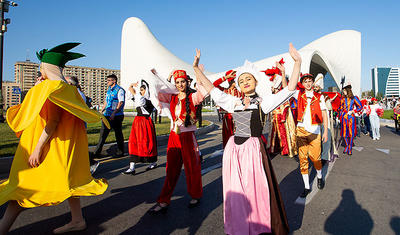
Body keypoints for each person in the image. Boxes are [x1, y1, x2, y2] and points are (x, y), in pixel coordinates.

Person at [191, 44, 301, 235]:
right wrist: (195, 69)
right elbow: (211, 90)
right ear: (239, 85)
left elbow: (290, 89)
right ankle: (240, 226)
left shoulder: (264, 102)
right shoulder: (234, 102)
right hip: (234, 150)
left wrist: (297, 62)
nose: (245, 82)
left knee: (255, 190)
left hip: (252, 149)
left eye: (248, 79)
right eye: (242, 80)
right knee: (236, 192)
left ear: (256, 82)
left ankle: (259, 226)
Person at [0, 43, 109, 234]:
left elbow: (52, 122)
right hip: (63, 149)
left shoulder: (52, 88)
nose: (40, 71)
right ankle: (77, 220)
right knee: (68, 183)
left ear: (45, 68)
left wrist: (37, 149)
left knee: (22, 188)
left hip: (47, 147)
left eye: (41, 67)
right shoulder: (69, 89)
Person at [149, 68, 207, 214]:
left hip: (188, 137)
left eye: (182, 82)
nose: (180, 84)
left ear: (187, 82)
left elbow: (204, 92)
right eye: (177, 82)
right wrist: (160, 77)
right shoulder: (172, 97)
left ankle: (195, 195)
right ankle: (163, 200)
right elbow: (158, 92)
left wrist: (199, 75)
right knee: (171, 171)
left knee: (192, 169)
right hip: (174, 137)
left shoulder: (193, 97)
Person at [294, 73, 328, 198]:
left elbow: (324, 114)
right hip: (301, 130)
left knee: (316, 159)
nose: (308, 83)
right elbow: (288, 87)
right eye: (305, 81)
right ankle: (306, 187)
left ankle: (319, 177)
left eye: (310, 81)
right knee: (303, 160)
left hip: (315, 131)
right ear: (302, 83)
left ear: (313, 83)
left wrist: (325, 132)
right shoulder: (298, 94)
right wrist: (282, 73)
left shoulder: (319, 97)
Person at [90, 74, 126, 173]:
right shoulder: (109, 90)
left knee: (118, 134)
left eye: (109, 80)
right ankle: (97, 152)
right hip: (107, 114)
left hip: (117, 115)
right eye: (107, 80)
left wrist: (114, 113)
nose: (107, 82)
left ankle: (120, 151)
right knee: (103, 133)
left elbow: (121, 102)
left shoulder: (120, 90)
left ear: (114, 81)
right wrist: (102, 110)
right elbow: (106, 101)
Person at [123, 80, 158, 175]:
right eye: (141, 90)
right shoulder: (139, 98)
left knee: (147, 143)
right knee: (134, 142)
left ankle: (153, 162)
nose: (141, 91)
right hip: (138, 122)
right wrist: (131, 85)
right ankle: (132, 166)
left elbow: (133, 92)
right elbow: (131, 91)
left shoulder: (149, 100)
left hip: (145, 122)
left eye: (143, 90)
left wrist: (132, 86)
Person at [266, 60, 297, 158]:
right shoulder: (272, 87)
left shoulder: (282, 88)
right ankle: (274, 148)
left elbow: (285, 87)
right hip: (274, 111)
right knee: (274, 131)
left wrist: (283, 72)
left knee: (284, 131)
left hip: (283, 110)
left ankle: (286, 149)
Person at [212, 70, 242, 148]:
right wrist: (226, 77)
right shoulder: (224, 91)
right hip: (228, 118)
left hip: (239, 117)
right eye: (234, 80)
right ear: (230, 81)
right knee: (229, 136)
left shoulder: (241, 92)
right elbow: (214, 84)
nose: (236, 82)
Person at [339, 83, 363, 155]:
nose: (343, 92)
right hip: (344, 117)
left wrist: (353, 111)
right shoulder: (342, 99)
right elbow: (340, 108)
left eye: (344, 90)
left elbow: (360, 106)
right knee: (344, 133)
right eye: (343, 90)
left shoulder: (354, 98)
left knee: (350, 132)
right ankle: (346, 145)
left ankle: (350, 147)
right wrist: (339, 115)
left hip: (351, 117)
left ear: (348, 90)